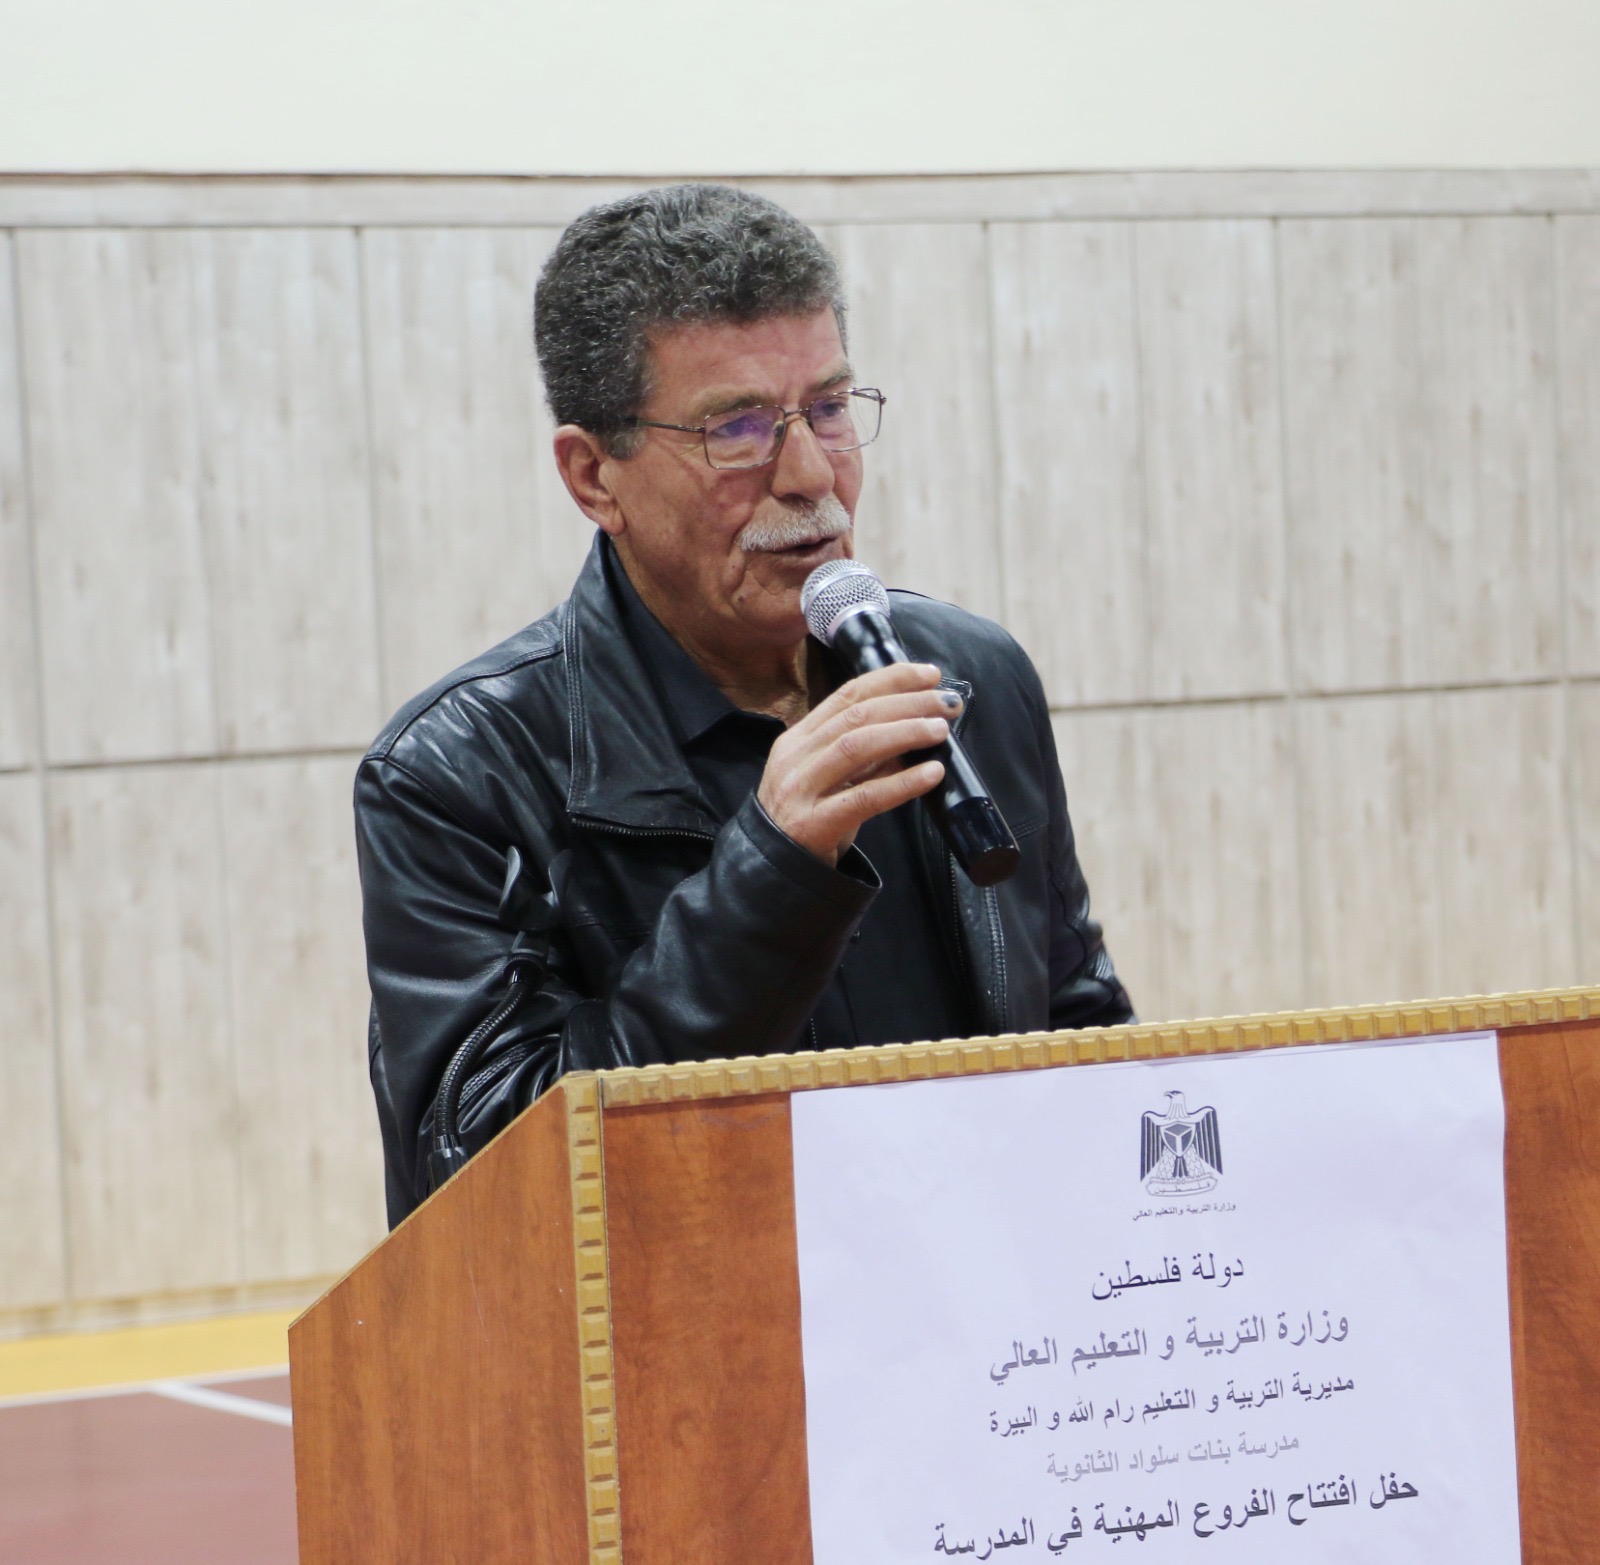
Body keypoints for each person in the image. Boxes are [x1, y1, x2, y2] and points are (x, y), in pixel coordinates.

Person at [356, 184, 1133, 1225]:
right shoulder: (458, 771)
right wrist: (770, 872)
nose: (811, 474)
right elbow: (487, 1182)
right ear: (594, 477)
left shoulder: (970, 676)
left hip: (975, 1304)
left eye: (829, 409)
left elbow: (1080, 1032)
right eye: (738, 427)